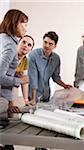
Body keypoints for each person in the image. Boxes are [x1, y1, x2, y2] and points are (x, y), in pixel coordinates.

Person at [0, 9, 28, 149]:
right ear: (14, 23)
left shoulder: (1, 39)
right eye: (24, 24)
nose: (25, 28)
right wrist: (20, 81)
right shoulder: (10, 46)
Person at [28, 31, 72, 105]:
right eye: (45, 42)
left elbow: (56, 77)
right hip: (33, 96)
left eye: (50, 44)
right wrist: (33, 99)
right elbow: (33, 79)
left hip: (46, 96)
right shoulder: (33, 55)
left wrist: (64, 85)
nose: (47, 45)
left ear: (55, 46)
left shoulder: (56, 58)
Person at [15, 35, 34, 105]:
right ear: (18, 43)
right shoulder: (10, 54)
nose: (25, 45)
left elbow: (24, 80)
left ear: (31, 49)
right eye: (23, 42)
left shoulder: (25, 60)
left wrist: (26, 100)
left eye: (29, 45)